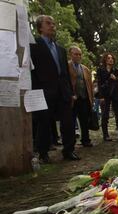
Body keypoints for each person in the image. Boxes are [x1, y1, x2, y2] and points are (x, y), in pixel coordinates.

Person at [30, 15, 79, 163]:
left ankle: (69, 150)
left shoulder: (61, 49)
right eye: (48, 23)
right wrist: (36, 91)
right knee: (44, 123)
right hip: (44, 91)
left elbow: (65, 73)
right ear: (40, 27)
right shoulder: (34, 45)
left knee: (68, 122)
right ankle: (43, 153)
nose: (52, 26)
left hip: (63, 91)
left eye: (53, 23)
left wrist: (71, 93)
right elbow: (32, 72)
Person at [68, 46, 93, 147]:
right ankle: (70, 143)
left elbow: (90, 85)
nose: (78, 56)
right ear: (71, 55)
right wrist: (70, 94)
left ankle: (85, 140)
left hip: (84, 98)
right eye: (76, 54)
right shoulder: (66, 66)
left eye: (80, 54)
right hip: (72, 99)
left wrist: (91, 98)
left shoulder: (85, 69)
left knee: (84, 121)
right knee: (70, 122)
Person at [97, 53, 118, 141]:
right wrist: (101, 96)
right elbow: (99, 83)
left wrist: (115, 78)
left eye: (112, 58)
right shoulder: (100, 70)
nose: (110, 60)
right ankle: (106, 135)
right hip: (105, 95)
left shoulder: (115, 70)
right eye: (108, 58)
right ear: (105, 60)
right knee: (105, 115)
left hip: (115, 95)